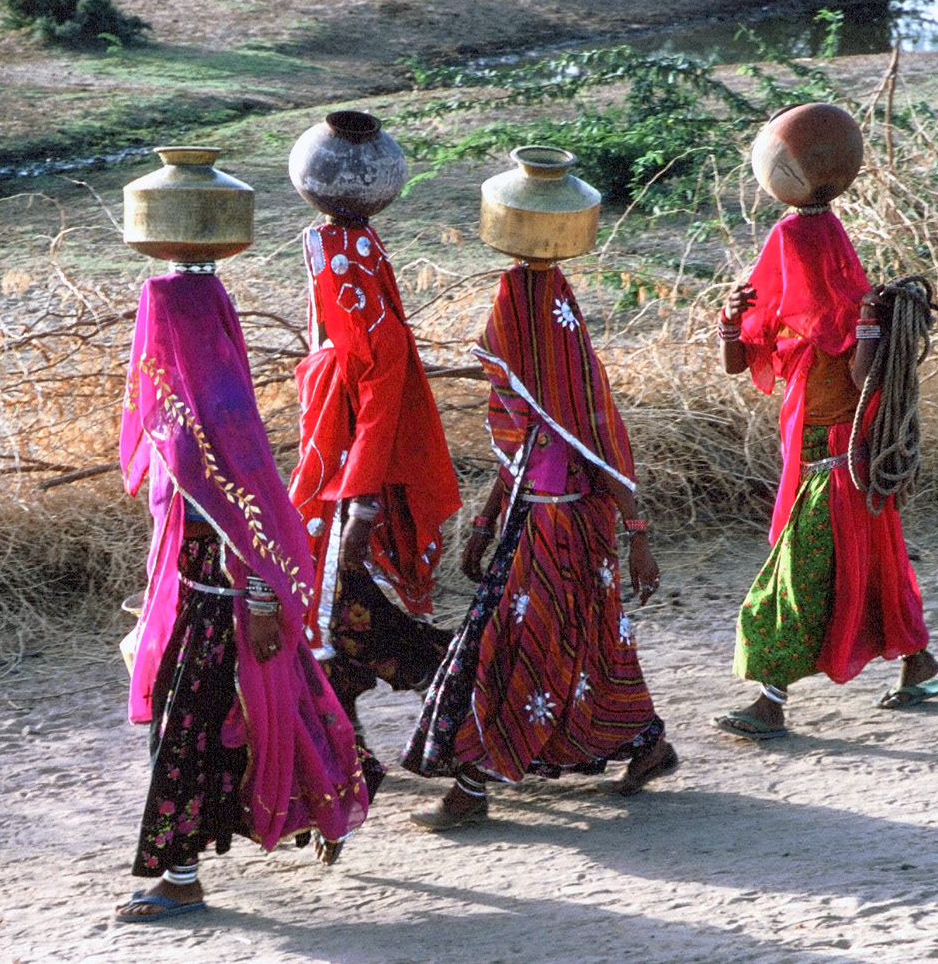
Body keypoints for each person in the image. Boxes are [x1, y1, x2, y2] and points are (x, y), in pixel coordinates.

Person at [113, 262, 369, 921]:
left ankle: (183, 875)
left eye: (158, 320)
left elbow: (253, 507)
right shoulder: (180, 396)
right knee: (231, 728)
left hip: (225, 605)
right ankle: (323, 805)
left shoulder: (218, 402)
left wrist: (259, 599)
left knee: (194, 735)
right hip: (193, 596)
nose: (147, 335)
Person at [401, 260, 679, 828]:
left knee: (527, 650)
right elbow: (521, 462)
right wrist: (483, 523)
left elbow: (611, 466)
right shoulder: (533, 396)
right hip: (526, 532)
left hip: (573, 539)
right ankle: (645, 742)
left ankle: (472, 784)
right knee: (579, 653)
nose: (494, 347)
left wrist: (639, 541)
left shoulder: (580, 395)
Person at [713, 204, 938, 741]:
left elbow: (867, 382)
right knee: (869, 572)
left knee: (795, 579)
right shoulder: (791, 320)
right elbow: (737, 363)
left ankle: (770, 701)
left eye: (786, 258)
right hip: (819, 465)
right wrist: (730, 322)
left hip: (842, 468)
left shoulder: (860, 313)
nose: (775, 268)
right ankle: (919, 663)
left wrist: (866, 324)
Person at [290, 217, 462, 778]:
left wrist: (361, 509)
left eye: (324, 273)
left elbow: (377, 420)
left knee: (358, 628)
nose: (319, 286)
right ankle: (356, 757)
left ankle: (471, 731)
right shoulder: (353, 335)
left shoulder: (376, 338)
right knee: (335, 633)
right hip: (334, 507)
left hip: (361, 513)